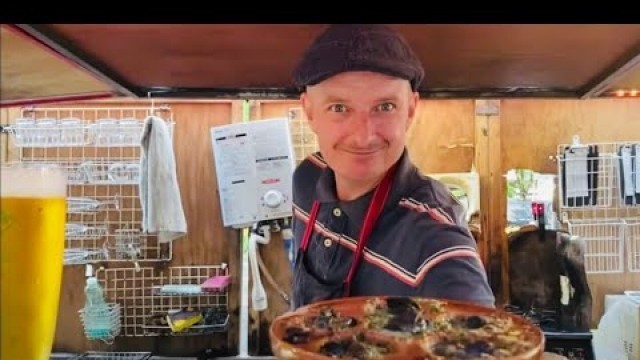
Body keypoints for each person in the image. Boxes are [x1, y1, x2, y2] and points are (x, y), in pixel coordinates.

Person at [289, 24, 495, 310]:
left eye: (384, 107)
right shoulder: (306, 178)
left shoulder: (436, 244)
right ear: (309, 111)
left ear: (410, 110)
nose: (363, 136)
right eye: (339, 108)